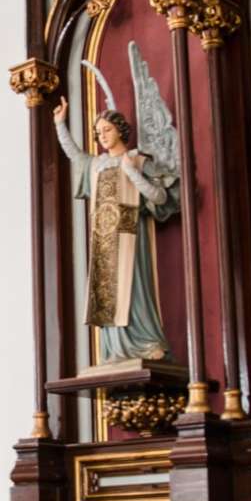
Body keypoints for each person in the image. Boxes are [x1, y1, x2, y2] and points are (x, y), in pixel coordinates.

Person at [53, 94, 174, 364]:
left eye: (107, 129)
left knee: (135, 291)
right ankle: (117, 349)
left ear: (120, 129)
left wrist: (131, 172)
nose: (102, 136)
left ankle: (146, 342)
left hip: (131, 235)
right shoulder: (96, 165)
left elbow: (160, 197)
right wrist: (60, 124)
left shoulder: (137, 160)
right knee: (106, 292)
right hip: (104, 240)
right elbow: (74, 154)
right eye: (98, 132)